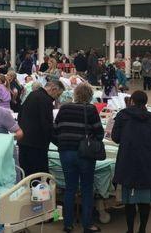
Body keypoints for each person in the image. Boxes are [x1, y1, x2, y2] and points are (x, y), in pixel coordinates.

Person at [53, 83, 104, 233]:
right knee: (87, 188)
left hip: (66, 153)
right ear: (89, 95)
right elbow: (99, 133)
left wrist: (62, 145)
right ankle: (87, 225)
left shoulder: (64, 108)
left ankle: (68, 225)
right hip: (85, 154)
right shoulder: (90, 109)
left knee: (70, 188)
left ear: (75, 94)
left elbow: (55, 130)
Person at [112, 90, 151, 233]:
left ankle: (129, 230)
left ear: (132, 101)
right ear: (145, 103)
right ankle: (142, 229)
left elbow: (115, 137)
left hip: (127, 161)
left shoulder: (122, 115)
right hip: (147, 163)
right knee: (144, 200)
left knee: (129, 201)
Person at [18, 80, 65, 176]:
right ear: (53, 89)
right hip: (37, 145)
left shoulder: (32, 94)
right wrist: (59, 143)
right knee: (40, 176)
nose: (57, 98)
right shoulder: (46, 101)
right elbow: (47, 126)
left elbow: (20, 115)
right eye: (58, 95)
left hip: (24, 141)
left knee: (27, 175)